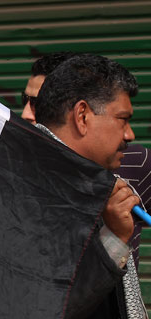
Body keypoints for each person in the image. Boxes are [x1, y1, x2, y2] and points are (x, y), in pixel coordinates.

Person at [30, 53, 151, 319]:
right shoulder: (33, 189)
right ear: (82, 117)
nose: (130, 134)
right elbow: (43, 317)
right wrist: (114, 239)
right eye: (123, 119)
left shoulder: (96, 181)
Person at [21, 52, 151, 270]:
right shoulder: (19, 183)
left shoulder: (132, 164)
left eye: (37, 102)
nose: (26, 113)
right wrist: (115, 239)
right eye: (28, 101)